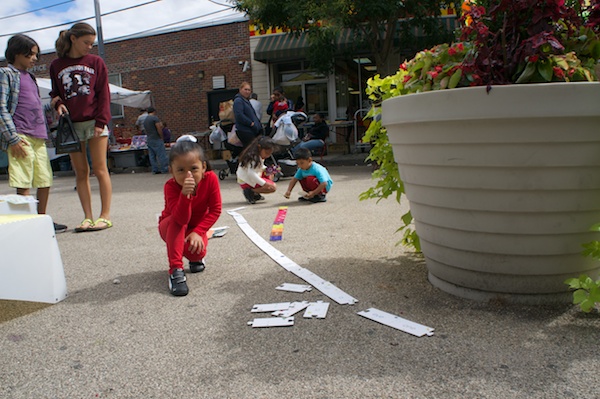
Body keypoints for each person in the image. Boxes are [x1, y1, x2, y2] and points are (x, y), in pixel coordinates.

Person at [0, 34, 67, 233]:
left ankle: (41, 219)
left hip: (38, 135)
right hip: (20, 134)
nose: (35, 59)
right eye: (30, 54)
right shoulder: (6, 74)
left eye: (36, 55)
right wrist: (12, 138)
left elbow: (35, 104)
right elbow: (1, 107)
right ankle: (26, 221)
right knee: (24, 179)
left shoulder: (30, 77)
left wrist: (55, 105)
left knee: (45, 178)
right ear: (16, 53)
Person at [50, 22, 113, 232]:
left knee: (100, 168)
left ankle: (105, 216)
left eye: (92, 43)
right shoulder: (56, 65)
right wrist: (58, 103)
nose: (89, 47)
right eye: (86, 42)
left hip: (95, 121)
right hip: (71, 125)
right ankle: (87, 217)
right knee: (80, 172)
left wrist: (102, 121)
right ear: (73, 39)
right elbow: (55, 93)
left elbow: (104, 93)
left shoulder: (96, 62)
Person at [158, 135, 222, 296]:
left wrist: (199, 232)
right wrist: (185, 196)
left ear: (203, 167)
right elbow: (180, 219)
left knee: (197, 252)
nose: (188, 175)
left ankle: (195, 259)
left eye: (193, 168)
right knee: (177, 223)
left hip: (195, 227)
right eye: (181, 170)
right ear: (171, 171)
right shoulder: (171, 187)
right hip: (172, 225)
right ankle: (176, 270)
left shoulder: (211, 179)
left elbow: (215, 210)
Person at [236, 136, 277, 204]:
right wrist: (264, 184)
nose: (268, 156)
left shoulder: (256, 155)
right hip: (246, 180)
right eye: (267, 153)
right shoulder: (254, 158)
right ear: (259, 147)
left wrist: (269, 170)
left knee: (270, 174)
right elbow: (251, 173)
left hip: (246, 178)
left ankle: (254, 193)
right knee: (272, 187)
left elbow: (259, 168)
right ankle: (251, 191)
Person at [233, 82, 263, 148]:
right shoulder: (238, 100)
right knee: (251, 149)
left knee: (253, 149)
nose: (247, 92)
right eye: (245, 89)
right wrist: (251, 123)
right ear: (240, 90)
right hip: (245, 130)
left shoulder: (246, 101)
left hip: (252, 130)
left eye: (249, 90)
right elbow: (239, 115)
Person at [143, 107, 169, 174]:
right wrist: (161, 136)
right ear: (154, 111)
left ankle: (155, 169)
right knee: (161, 154)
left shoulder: (145, 120)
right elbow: (158, 128)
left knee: (152, 155)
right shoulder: (155, 118)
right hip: (156, 138)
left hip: (149, 138)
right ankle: (164, 169)